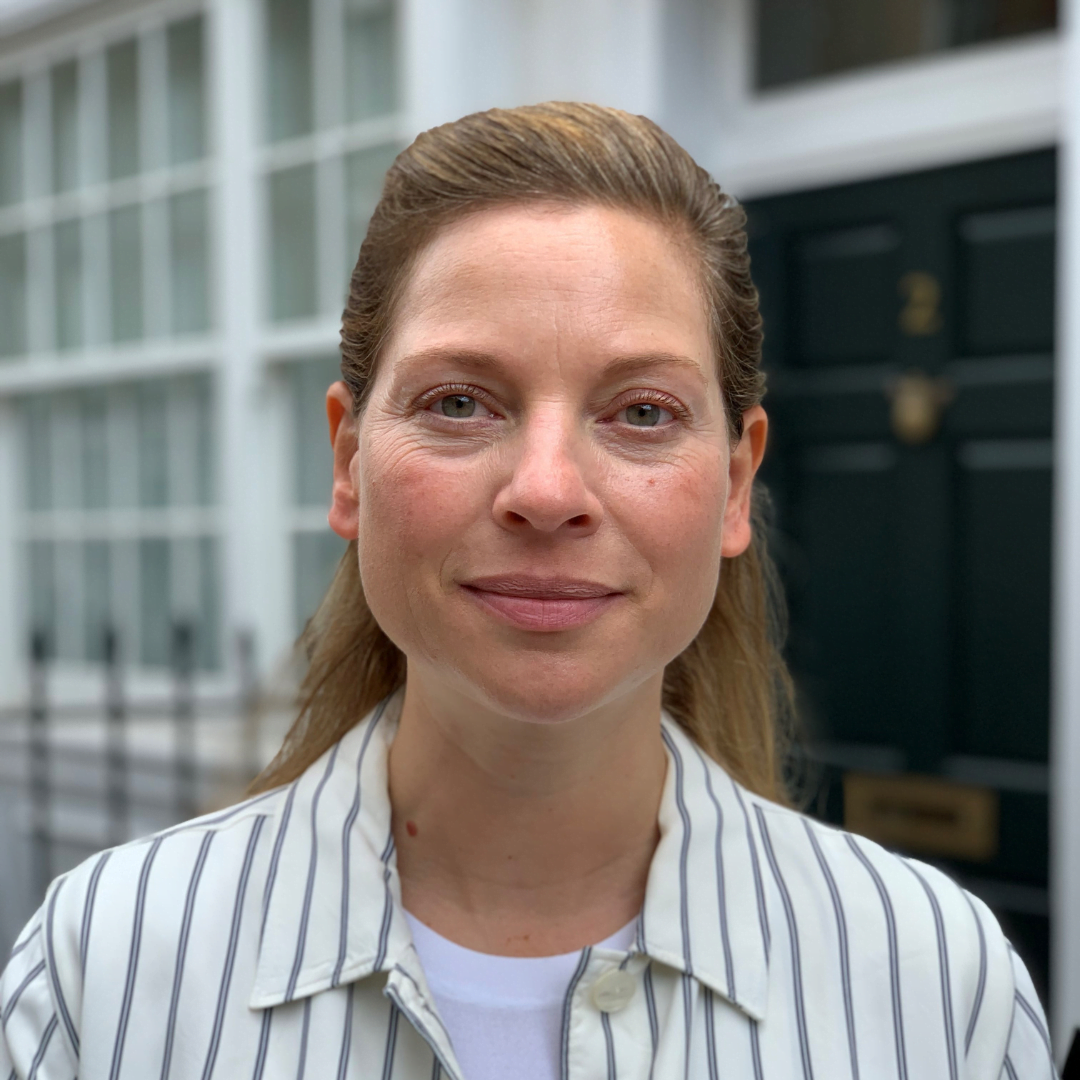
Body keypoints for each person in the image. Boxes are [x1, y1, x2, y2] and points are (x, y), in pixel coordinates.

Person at [0, 102, 1057, 1080]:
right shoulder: (109, 969)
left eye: (641, 413)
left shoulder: (939, 989)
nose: (547, 492)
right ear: (346, 461)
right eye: (460, 401)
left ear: (736, 482)